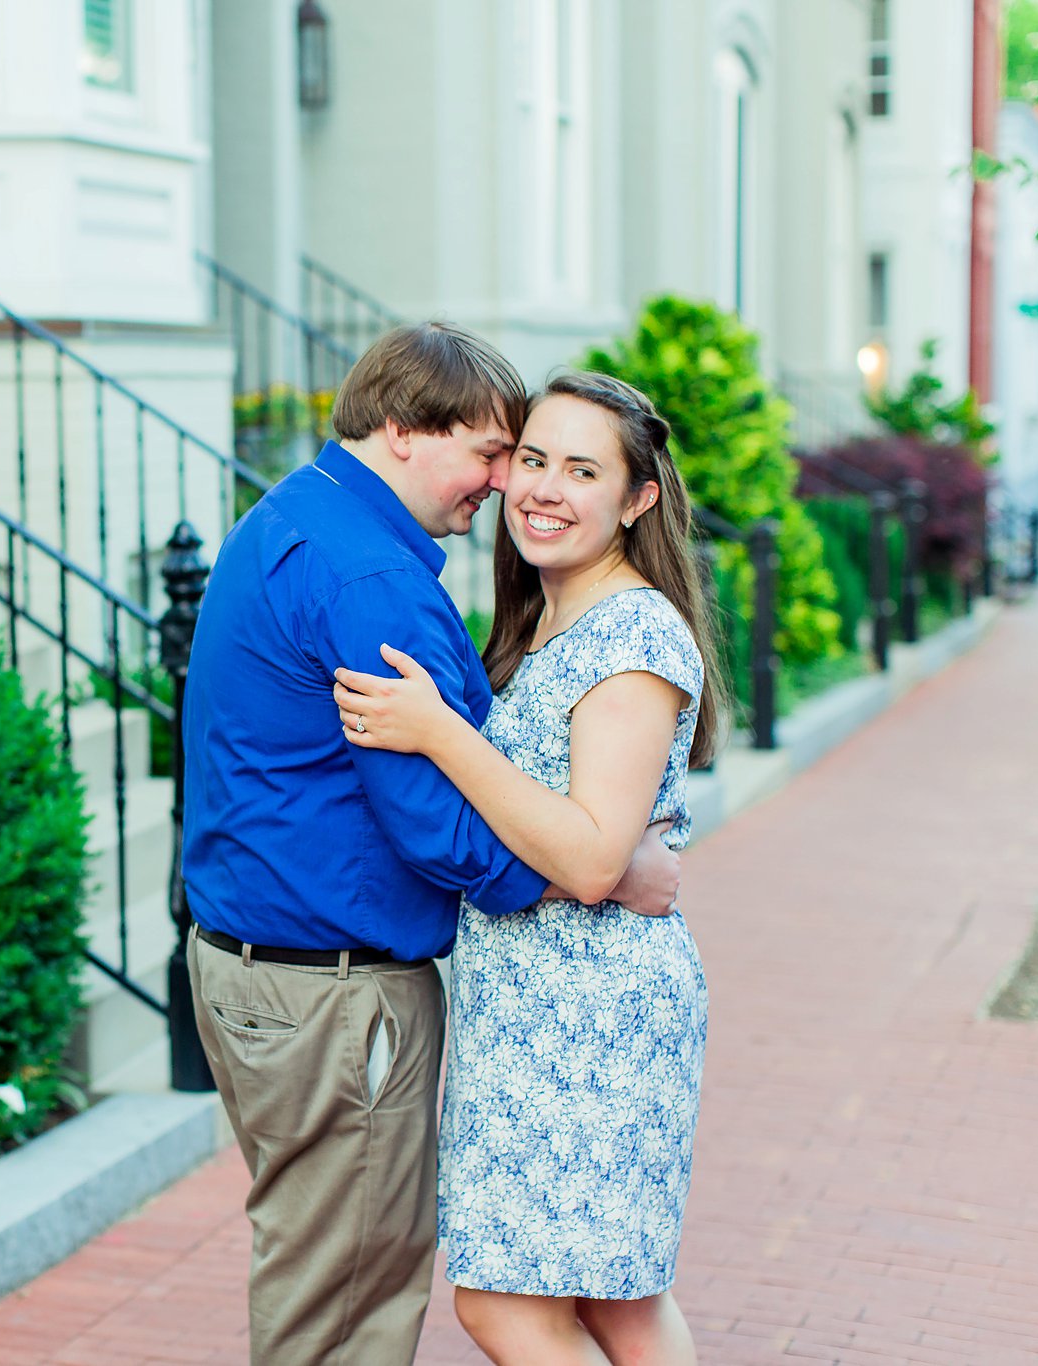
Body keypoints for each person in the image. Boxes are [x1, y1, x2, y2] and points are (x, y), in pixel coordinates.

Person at [181, 326, 681, 1366]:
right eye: (498, 453)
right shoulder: (367, 576)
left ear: (635, 497)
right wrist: (597, 868)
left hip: (284, 972)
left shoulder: (300, 518)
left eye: (548, 463)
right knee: (347, 1298)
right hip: (330, 988)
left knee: (382, 1273)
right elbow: (430, 819)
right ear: (404, 430)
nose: (503, 486)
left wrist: (585, 849)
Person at [333, 371, 722, 1366]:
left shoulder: (630, 633)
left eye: (581, 470)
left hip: (591, 1010)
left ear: (635, 499)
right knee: (619, 1307)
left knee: (508, 1306)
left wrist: (436, 735)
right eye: (531, 460)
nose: (542, 489)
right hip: (537, 1004)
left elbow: (592, 858)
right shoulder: (549, 616)